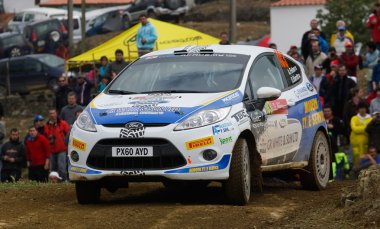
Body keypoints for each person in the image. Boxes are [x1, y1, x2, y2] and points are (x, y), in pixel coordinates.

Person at [44, 108, 70, 181]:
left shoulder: (63, 123)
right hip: (51, 150)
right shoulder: (46, 126)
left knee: (61, 167)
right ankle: (54, 183)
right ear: (49, 115)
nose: (52, 115)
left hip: (62, 149)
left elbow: (68, 135)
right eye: (50, 113)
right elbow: (45, 138)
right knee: (53, 169)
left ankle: (64, 181)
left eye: (53, 113)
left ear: (56, 114)